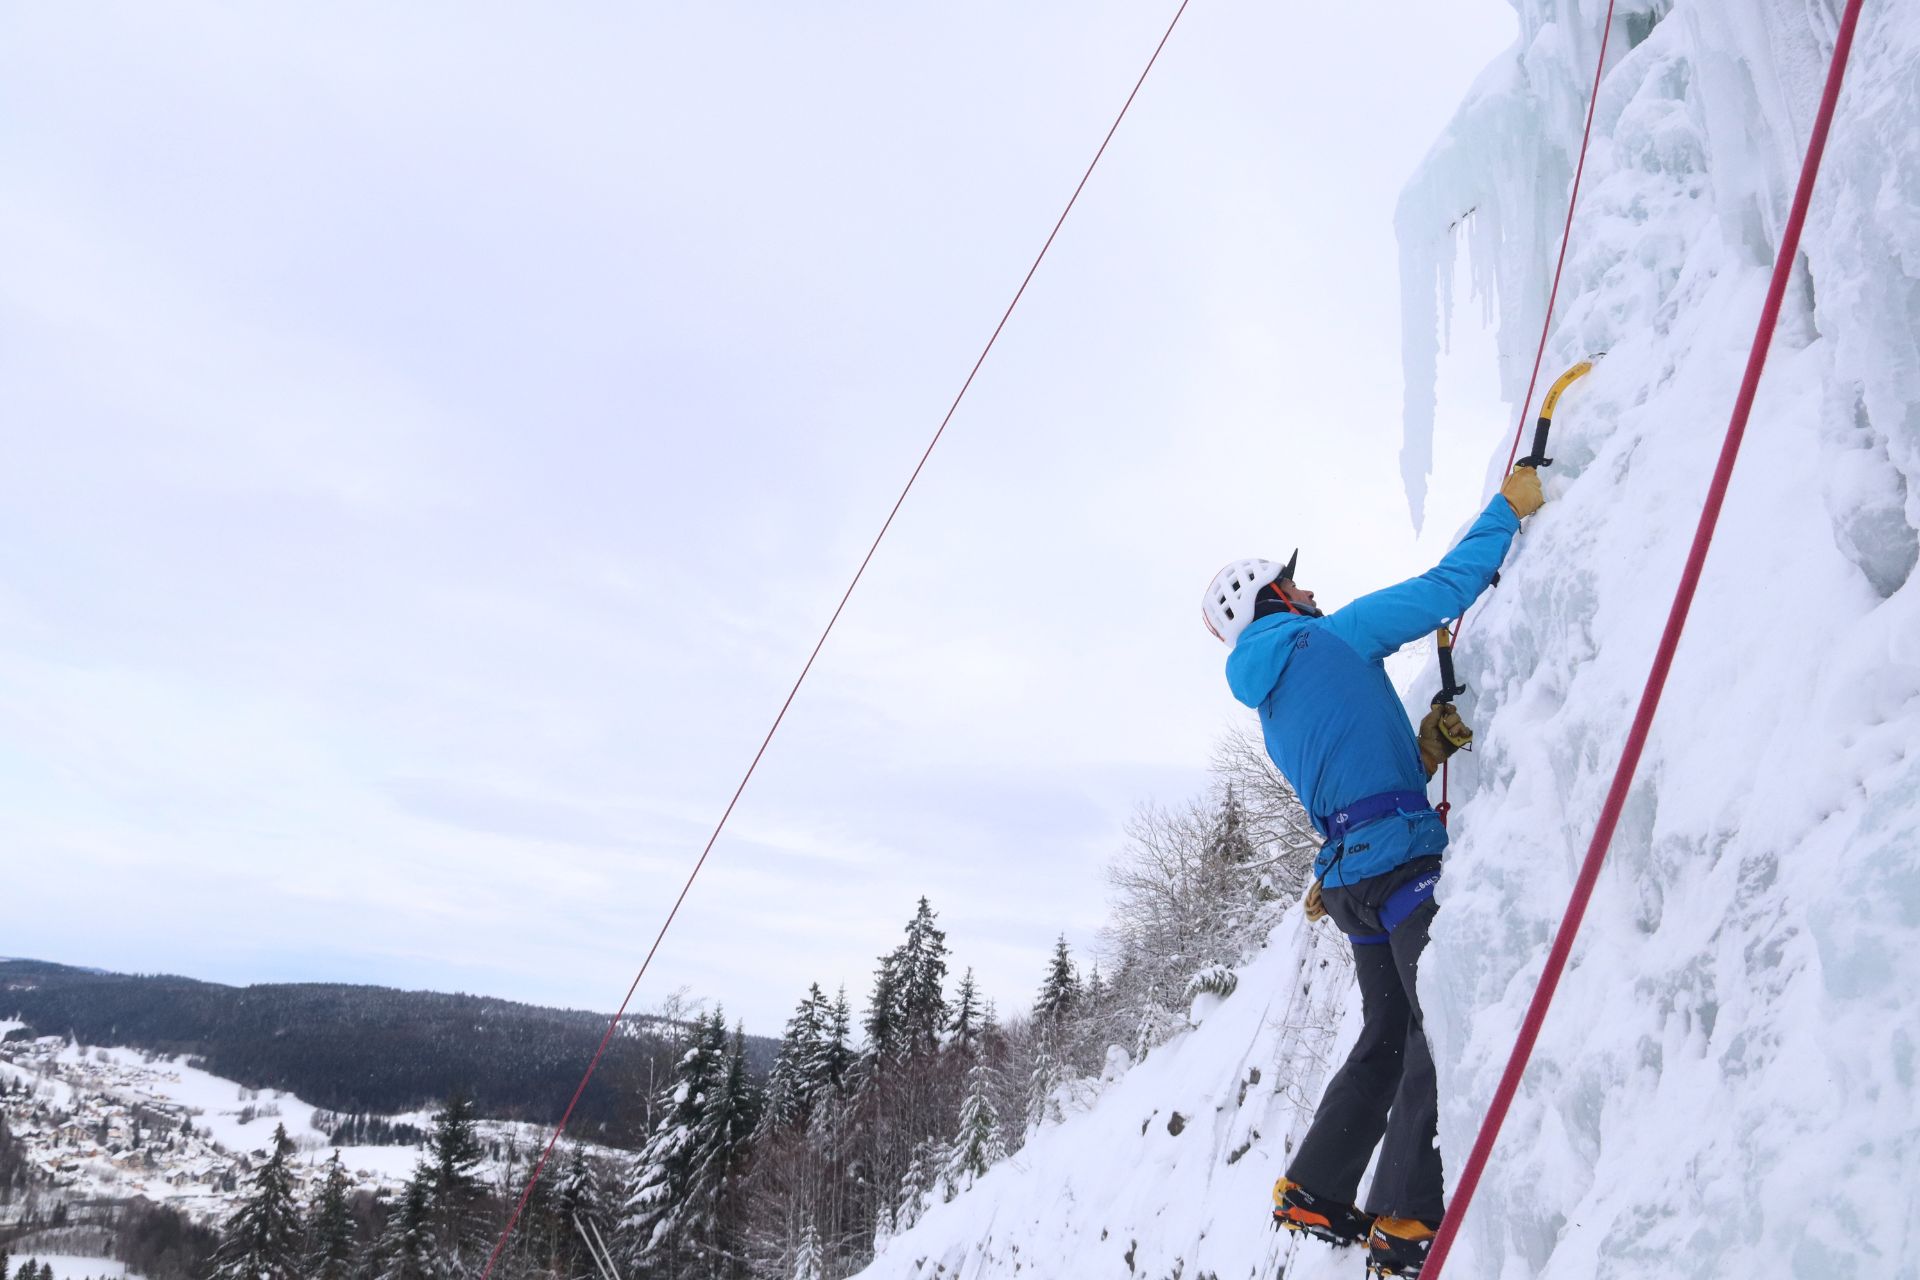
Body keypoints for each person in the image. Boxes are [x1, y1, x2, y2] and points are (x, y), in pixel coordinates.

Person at [1199, 466, 1545, 1279]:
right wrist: (1508, 510)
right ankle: (1404, 1217)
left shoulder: (1271, 704)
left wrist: (1423, 750)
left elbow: (1351, 773)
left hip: (1354, 884)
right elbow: (1445, 587)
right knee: (1432, 1023)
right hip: (1397, 870)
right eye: (1292, 582)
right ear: (1274, 600)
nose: (1308, 588)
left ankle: (1316, 1188)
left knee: (1386, 1033)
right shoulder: (1332, 637)